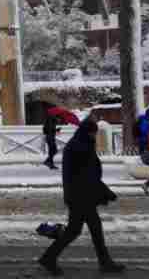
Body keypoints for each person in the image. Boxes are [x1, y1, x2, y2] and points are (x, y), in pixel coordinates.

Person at [37, 116, 125, 275]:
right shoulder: (81, 147)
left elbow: (88, 174)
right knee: (79, 230)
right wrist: (105, 192)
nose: (95, 136)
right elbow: (87, 175)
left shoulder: (79, 143)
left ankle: (103, 262)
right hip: (81, 196)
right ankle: (49, 258)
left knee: (85, 230)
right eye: (94, 133)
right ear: (88, 132)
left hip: (80, 195)